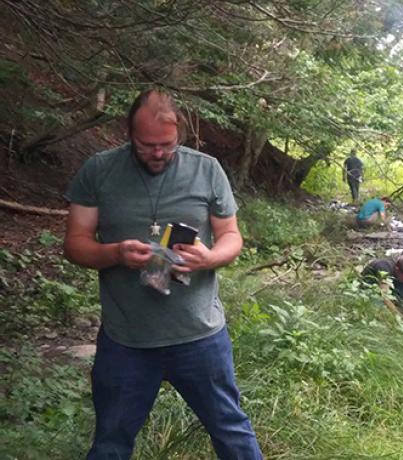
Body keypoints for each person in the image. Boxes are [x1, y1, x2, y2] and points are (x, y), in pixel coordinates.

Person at [63, 89, 262, 459]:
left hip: (199, 335)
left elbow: (232, 236)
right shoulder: (98, 170)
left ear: (180, 135)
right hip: (127, 340)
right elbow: (75, 244)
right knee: (110, 443)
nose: (158, 153)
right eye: (146, 145)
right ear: (128, 134)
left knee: (232, 432)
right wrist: (115, 253)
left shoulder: (207, 169)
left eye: (167, 145)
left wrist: (210, 257)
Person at [361, 255, 403, 321]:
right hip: (370, 285)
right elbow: (385, 296)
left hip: (391, 284)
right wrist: (400, 317)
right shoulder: (384, 268)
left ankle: (398, 305)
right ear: (397, 269)